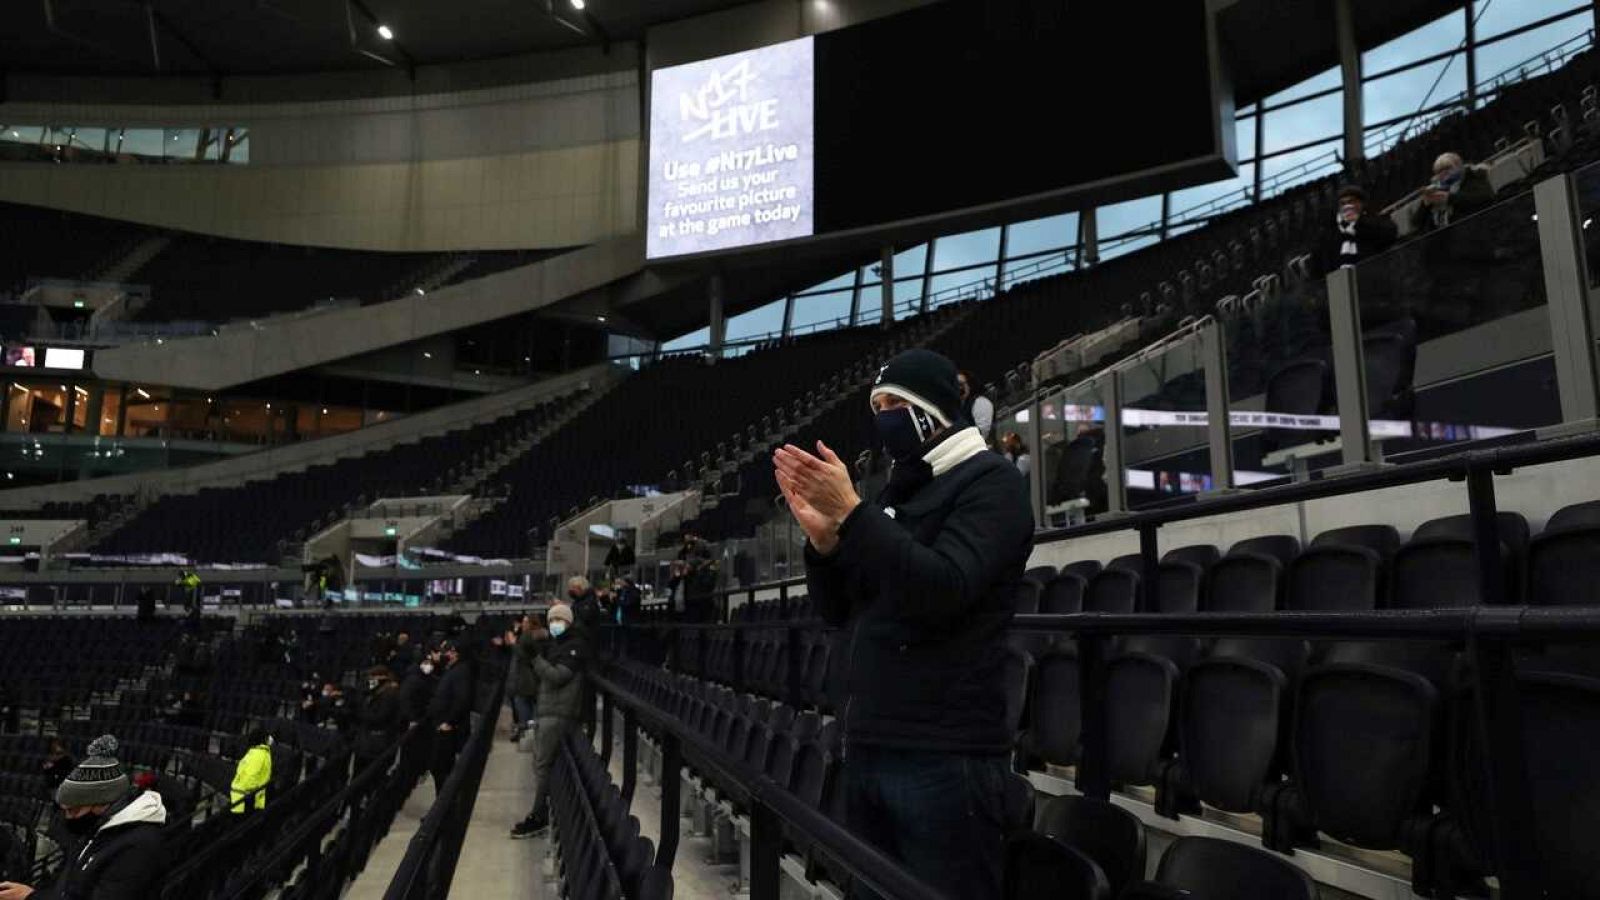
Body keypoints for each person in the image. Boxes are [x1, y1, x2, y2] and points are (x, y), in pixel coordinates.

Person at [773, 348, 1035, 900]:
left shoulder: (992, 482)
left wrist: (853, 515)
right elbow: (840, 610)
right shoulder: (895, 492)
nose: (884, 416)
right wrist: (825, 546)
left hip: (945, 754)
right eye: (877, 406)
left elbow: (943, 589)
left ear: (932, 406)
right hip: (871, 742)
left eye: (895, 403)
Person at [0, 735, 169, 900]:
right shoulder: (100, 826)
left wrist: (32, 897)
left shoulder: (138, 847)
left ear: (101, 804)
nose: (68, 817)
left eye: (73, 810)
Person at [510, 603, 591, 839]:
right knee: (540, 764)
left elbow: (557, 676)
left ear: (569, 621)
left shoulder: (574, 646)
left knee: (543, 766)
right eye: (552, 620)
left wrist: (535, 658)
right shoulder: (557, 645)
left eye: (559, 619)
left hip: (559, 713)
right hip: (548, 711)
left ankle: (539, 816)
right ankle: (541, 811)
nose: (554, 624)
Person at [426, 640, 473, 793]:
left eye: (450, 651)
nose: (446, 654)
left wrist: (449, 722)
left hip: (449, 729)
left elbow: (462, 699)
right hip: (442, 725)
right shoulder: (452, 669)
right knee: (438, 768)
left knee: (442, 768)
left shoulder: (461, 671)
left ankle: (445, 803)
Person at [1321, 184, 1398, 273]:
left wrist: (1358, 222)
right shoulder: (1333, 234)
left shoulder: (1376, 221)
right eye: (1343, 204)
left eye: (1351, 202)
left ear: (1361, 203)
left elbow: (1389, 234)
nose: (1347, 206)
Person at [1411, 151, 1494, 233]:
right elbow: (1416, 223)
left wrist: (1449, 198)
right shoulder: (1435, 189)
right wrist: (1425, 204)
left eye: (1447, 168)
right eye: (1439, 171)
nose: (1444, 173)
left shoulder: (1473, 177)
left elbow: (1484, 197)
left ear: (1459, 166)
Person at [356, 667, 406, 769]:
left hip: (378, 740)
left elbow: (381, 716)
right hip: (372, 740)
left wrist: (361, 715)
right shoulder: (376, 692)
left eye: (372, 677)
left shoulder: (389, 694)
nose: (370, 681)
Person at [506, 615, 546, 742]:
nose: (522, 624)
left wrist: (513, 643)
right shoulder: (538, 636)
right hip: (534, 678)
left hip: (526, 679)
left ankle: (526, 735)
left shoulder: (527, 637)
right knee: (533, 709)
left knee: (523, 707)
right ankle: (531, 733)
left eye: (525, 622)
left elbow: (524, 656)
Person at [672, 533, 719, 623]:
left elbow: (708, 581)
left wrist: (693, 568)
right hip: (691, 599)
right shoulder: (684, 555)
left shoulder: (707, 563)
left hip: (701, 600)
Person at [231, 729, 272, 816]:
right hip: (246, 798)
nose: (270, 739)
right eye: (267, 737)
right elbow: (250, 777)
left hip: (242, 795)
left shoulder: (256, 752)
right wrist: (251, 794)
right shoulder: (259, 754)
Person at [959, 369, 995, 446]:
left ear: (969, 385)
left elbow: (982, 434)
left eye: (961, 384)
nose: (958, 387)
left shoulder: (980, 402)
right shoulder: (957, 407)